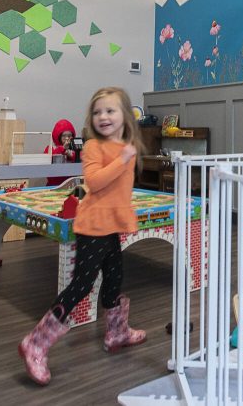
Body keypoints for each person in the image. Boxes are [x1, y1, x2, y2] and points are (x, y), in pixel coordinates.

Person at [19, 87, 148, 385]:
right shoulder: (93, 147)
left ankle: (116, 333)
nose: (103, 116)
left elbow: (120, 193)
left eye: (110, 110)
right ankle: (36, 343)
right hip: (93, 227)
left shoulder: (126, 147)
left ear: (126, 116)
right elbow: (95, 181)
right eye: (97, 111)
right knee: (81, 285)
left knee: (115, 280)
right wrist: (122, 160)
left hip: (111, 227)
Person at [44, 118, 79, 187]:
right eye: (64, 135)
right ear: (58, 136)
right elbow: (50, 159)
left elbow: (78, 160)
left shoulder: (75, 149)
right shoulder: (50, 148)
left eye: (69, 136)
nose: (67, 138)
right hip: (53, 186)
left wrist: (70, 154)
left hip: (70, 186)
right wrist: (62, 148)